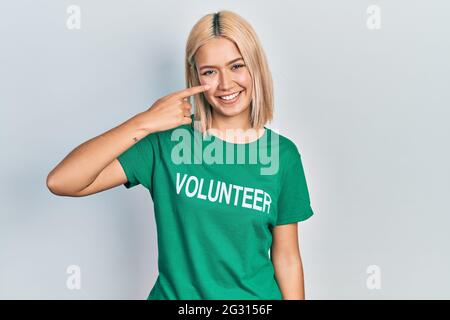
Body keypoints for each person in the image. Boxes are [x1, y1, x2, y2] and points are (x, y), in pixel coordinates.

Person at [46, 10, 315, 300]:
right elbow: (62, 181)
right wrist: (145, 121)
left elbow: (287, 259)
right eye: (210, 71)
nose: (225, 84)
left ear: (256, 68)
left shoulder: (282, 155)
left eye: (236, 66)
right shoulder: (167, 144)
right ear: (195, 77)